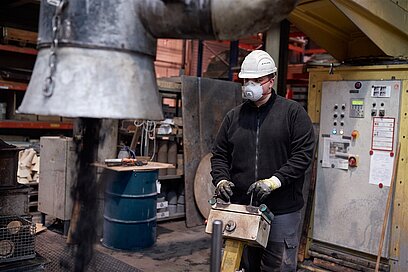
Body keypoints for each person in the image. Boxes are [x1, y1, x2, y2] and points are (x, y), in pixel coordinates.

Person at [210, 50, 315, 271]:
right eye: (247, 80)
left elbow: (302, 155)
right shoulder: (233, 117)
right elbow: (219, 155)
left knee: (279, 265)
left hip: (281, 210)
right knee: (246, 265)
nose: (251, 85)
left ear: (271, 80)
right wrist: (221, 180)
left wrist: (273, 182)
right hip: (243, 207)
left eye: (257, 80)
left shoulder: (293, 113)